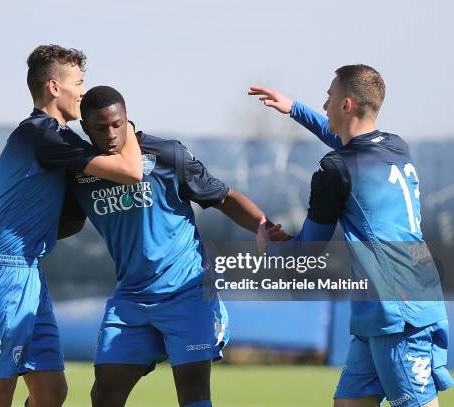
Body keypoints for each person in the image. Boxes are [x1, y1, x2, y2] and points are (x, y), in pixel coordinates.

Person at [69, 85, 285, 407]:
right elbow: (62, 221)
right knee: (104, 394)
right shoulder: (80, 172)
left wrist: (261, 223)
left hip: (187, 291)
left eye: (118, 124)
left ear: (128, 120)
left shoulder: (167, 155)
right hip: (132, 298)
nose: (112, 134)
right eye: (101, 128)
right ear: (85, 128)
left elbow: (223, 196)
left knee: (194, 396)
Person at [249, 65, 452, 407]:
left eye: (328, 98)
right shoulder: (395, 146)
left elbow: (306, 252)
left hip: (398, 311)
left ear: (346, 105)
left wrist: (268, 249)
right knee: (349, 404)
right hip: (389, 306)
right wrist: (295, 109)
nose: (324, 104)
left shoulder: (334, 170)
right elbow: (349, 147)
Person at [0, 45, 143, 407]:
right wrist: (130, 128)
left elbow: (39, 207)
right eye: (78, 82)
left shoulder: (58, 141)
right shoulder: (45, 136)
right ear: (54, 87)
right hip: (3, 276)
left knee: (51, 392)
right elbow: (131, 171)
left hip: (28, 274)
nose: (83, 91)